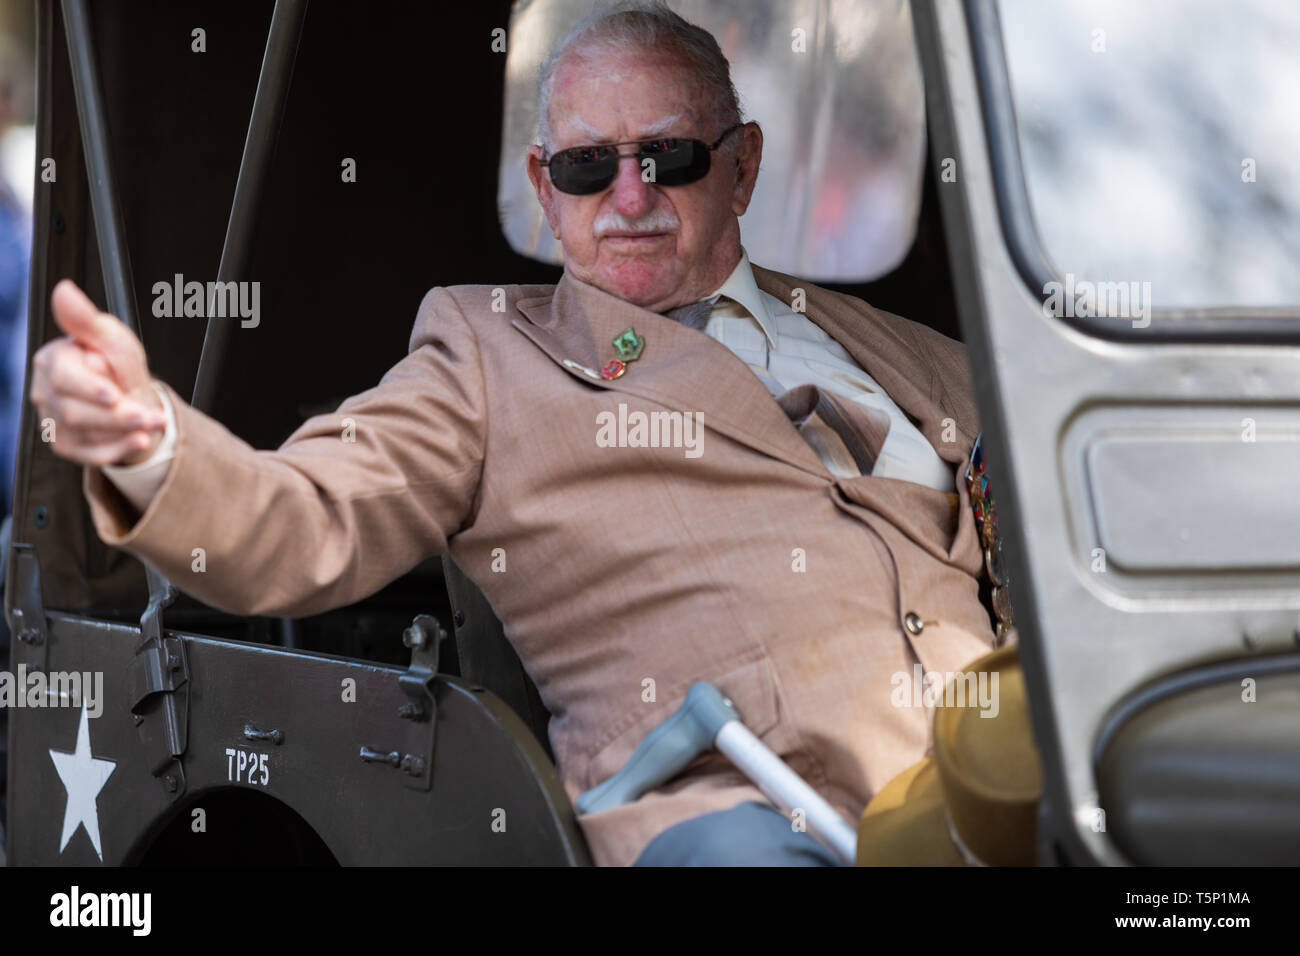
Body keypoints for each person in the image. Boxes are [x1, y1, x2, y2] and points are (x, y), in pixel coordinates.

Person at [28, 2, 995, 866]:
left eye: (668, 157)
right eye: (586, 167)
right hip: (752, 814)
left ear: (740, 167)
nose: (628, 199)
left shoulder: (897, 348)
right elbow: (312, 511)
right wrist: (149, 441)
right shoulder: (490, 356)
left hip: (1017, 779)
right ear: (544, 185)